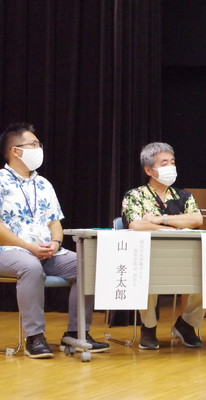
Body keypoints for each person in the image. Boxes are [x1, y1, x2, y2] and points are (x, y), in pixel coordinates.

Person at [0, 123, 110, 358]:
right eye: (34, 144)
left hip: (46, 251)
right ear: (15, 151)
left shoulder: (44, 183)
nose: (39, 148)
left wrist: (56, 243)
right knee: (30, 267)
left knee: (87, 265)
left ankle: (77, 332)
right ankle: (35, 337)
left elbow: (55, 223)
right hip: (9, 251)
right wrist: (27, 246)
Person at [121, 142, 205, 350]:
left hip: (184, 256)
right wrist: (176, 225)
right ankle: (148, 327)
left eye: (173, 162)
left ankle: (186, 324)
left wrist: (161, 220)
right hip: (149, 255)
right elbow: (136, 224)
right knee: (146, 274)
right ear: (149, 170)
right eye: (164, 163)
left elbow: (196, 219)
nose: (171, 167)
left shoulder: (183, 196)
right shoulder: (135, 195)